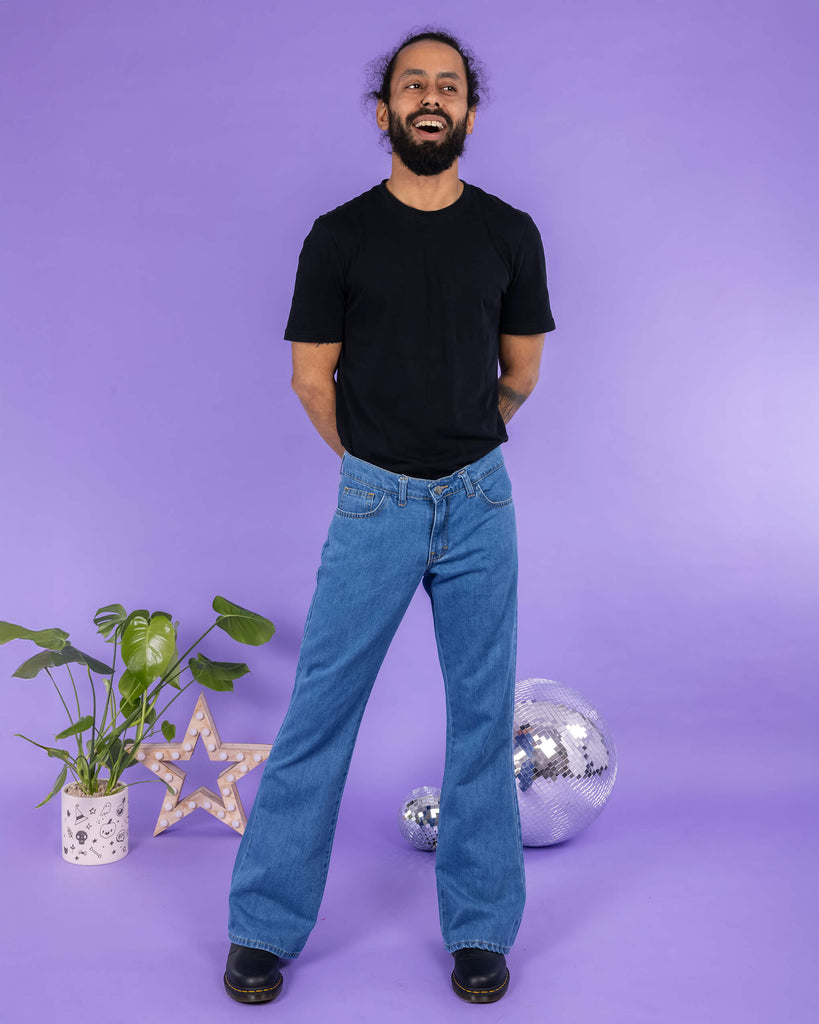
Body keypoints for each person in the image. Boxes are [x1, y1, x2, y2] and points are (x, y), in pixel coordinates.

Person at [224, 28, 556, 1005]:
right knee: (319, 714)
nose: (430, 97)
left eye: (447, 86)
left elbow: (521, 372)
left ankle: (482, 932)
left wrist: (455, 450)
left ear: (468, 114)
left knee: (483, 718)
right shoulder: (340, 236)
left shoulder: (510, 234)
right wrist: (382, 466)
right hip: (375, 503)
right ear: (384, 113)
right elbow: (309, 378)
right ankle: (262, 929)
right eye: (412, 83)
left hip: (482, 503)